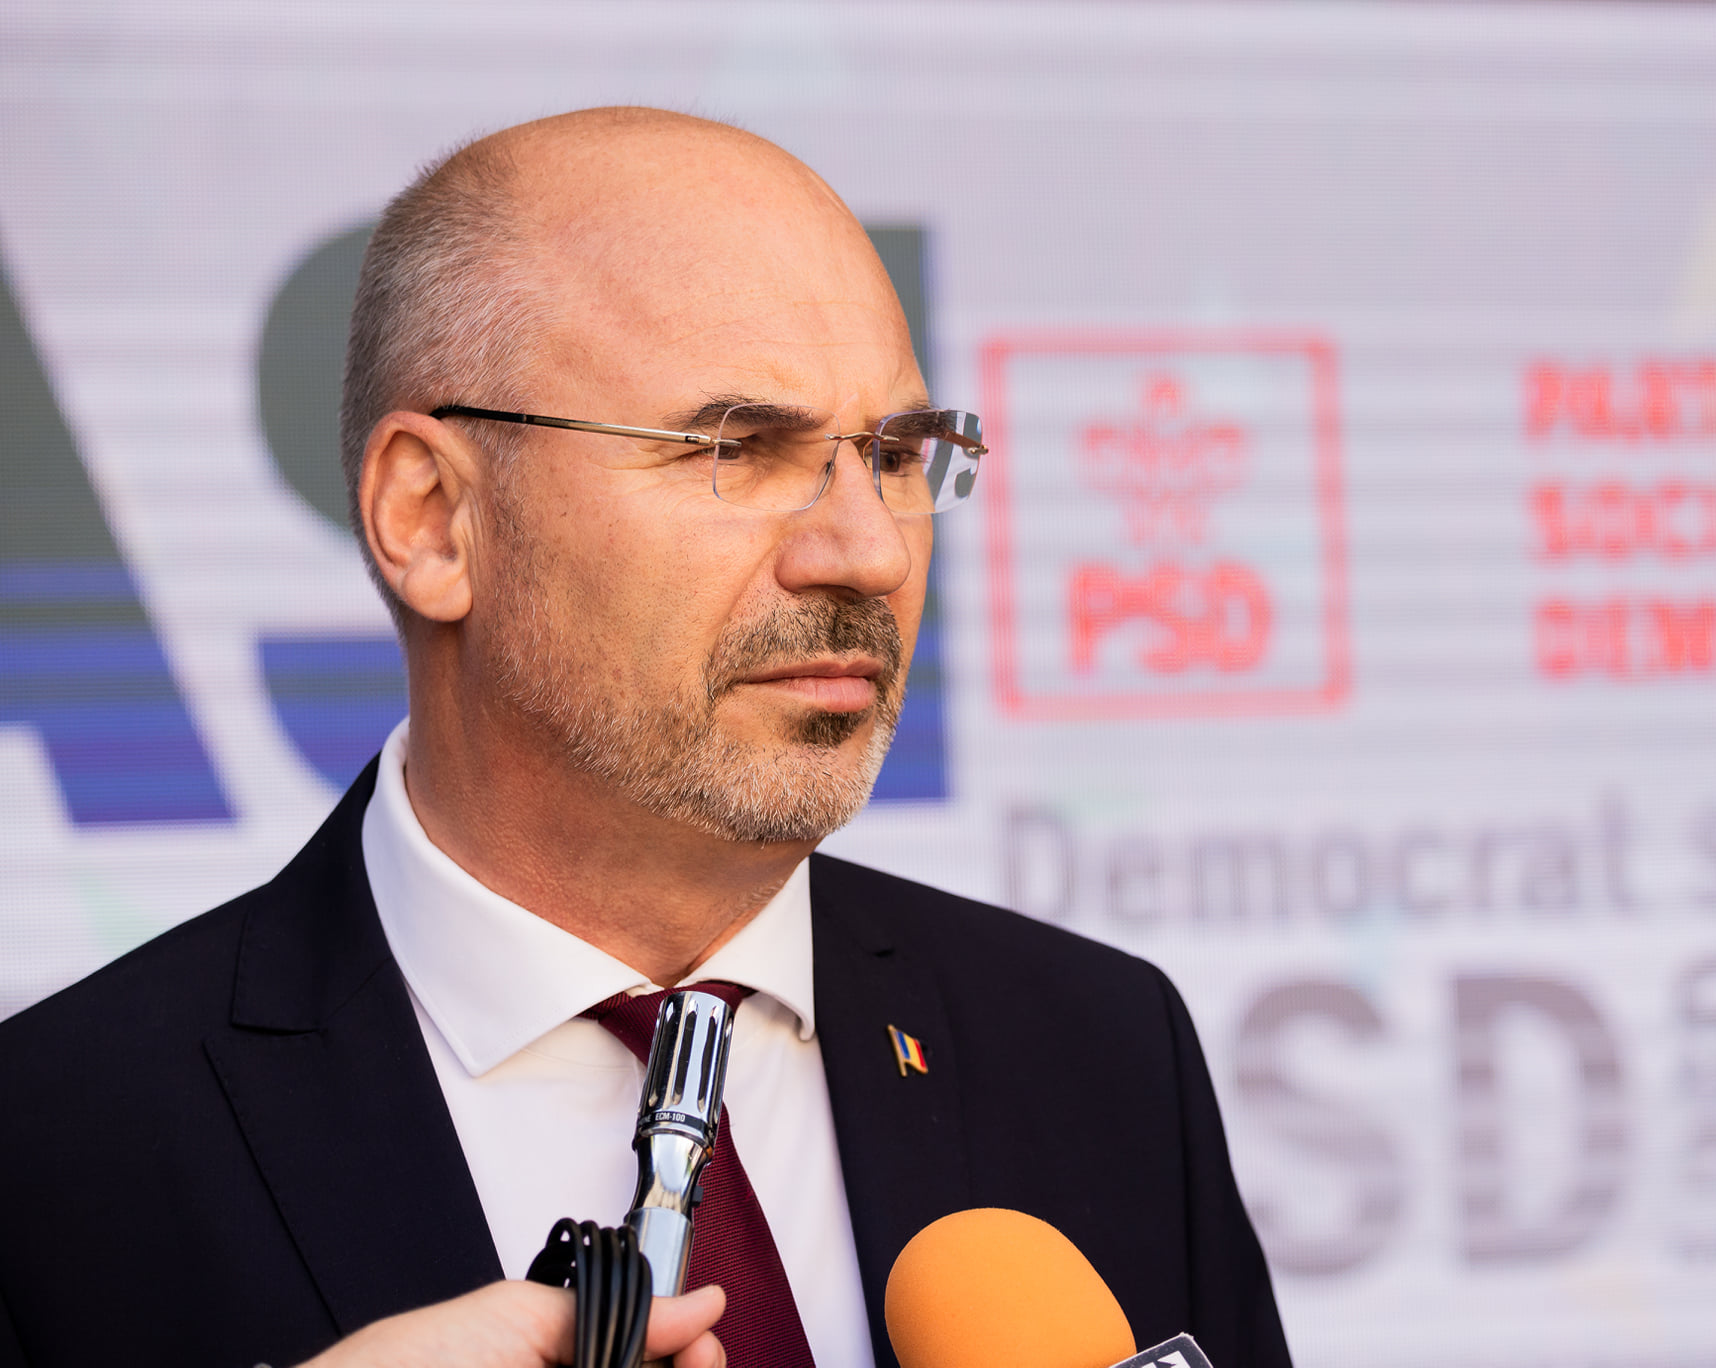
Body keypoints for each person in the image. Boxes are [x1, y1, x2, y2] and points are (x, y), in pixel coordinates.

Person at [0, 108, 1289, 1368]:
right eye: (741, 448)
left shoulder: (1100, 1051)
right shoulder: (56, 1150)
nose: (871, 553)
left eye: (898, 455)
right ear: (434, 518)